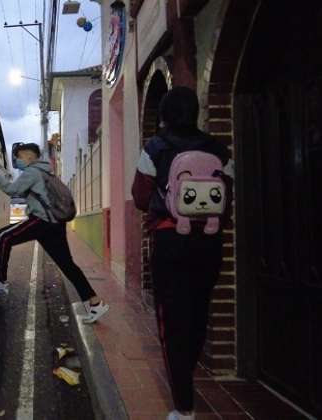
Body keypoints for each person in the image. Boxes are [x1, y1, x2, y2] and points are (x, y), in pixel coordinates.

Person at [131, 87, 234, 420]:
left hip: (170, 241)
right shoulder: (219, 149)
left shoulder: (155, 147)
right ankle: (186, 375)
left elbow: (141, 197)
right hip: (209, 242)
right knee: (199, 311)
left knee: (172, 320)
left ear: (164, 114)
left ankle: (183, 406)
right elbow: (227, 197)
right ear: (196, 112)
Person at [0, 142, 109, 324]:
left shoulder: (32, 172)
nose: (17, 161)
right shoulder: (47, 172)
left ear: (28, 157)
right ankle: (95, 303)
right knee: (67, 265)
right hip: (55, 224)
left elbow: (13, 190)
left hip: (41, 221)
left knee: (3, 236)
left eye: (18, 157)